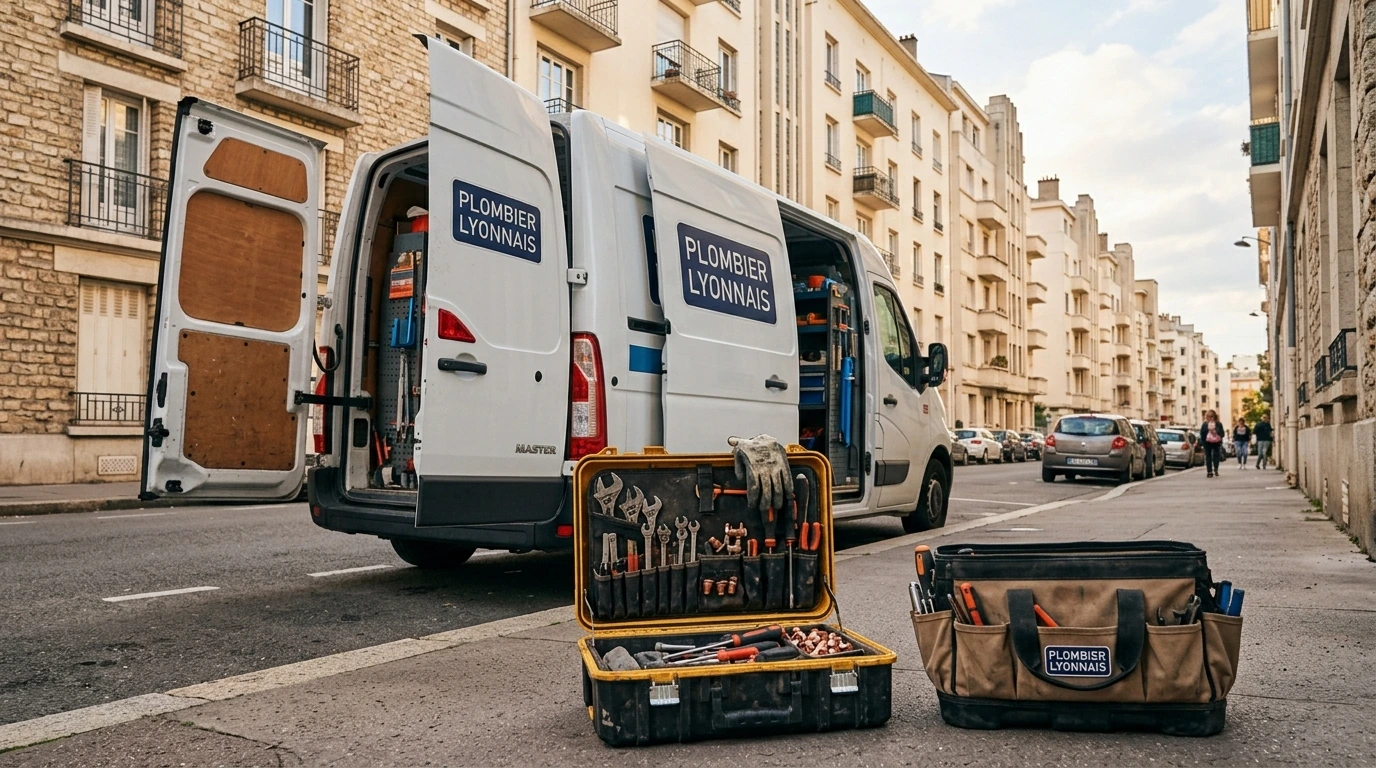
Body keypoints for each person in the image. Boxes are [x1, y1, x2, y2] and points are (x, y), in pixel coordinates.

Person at [1200, 410, 1227, 478]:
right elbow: (1202, 434)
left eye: (1212, 416)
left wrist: (1216, 433)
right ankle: (1209, 471)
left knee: (1216, 456)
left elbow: (1222, 433)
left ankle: (1215, 469)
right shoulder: (1205, 424)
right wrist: (1202, 442)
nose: (1210, 418)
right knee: (1208, 457)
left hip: (1216, 442)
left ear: (1215, 417)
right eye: (1208, 416)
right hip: (1207, 442)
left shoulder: (1218, 424)